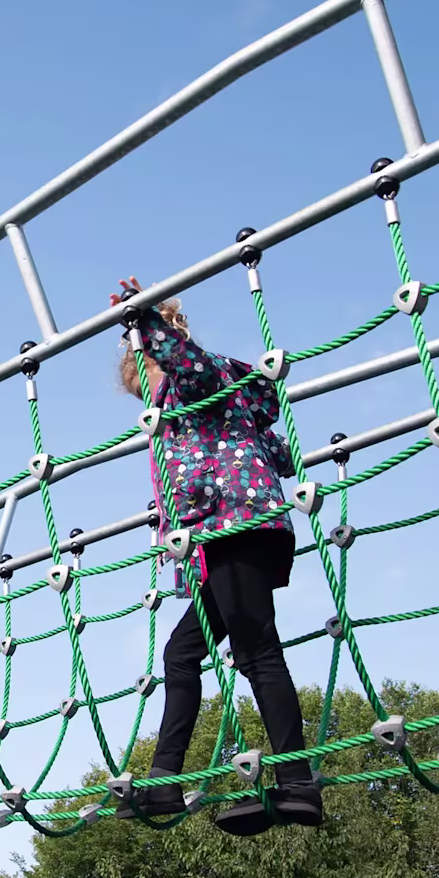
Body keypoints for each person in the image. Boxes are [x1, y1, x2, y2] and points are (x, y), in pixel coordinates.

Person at [109, 276, 320, 834]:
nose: (149, 404)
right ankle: (163, 785)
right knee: (181, 657)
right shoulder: (197, 415)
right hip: (218, 536)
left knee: (257, 652)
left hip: (240, 526)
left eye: (147, 385)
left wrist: (143, 321)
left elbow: (190, 364)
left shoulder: (200, 378)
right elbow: (275, 452)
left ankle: (297, 783)